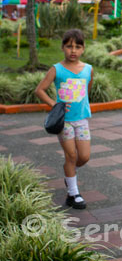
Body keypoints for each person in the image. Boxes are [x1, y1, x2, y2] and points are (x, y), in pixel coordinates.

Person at [36, 29, 93, 209]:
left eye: (77, 47)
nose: (73, 50)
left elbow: (87, 90)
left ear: (83, 49)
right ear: (62, 48)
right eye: (69, 46)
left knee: (83, 157)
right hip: (64, 121)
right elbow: (39, 90)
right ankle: (73, 194)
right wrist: (54, 105)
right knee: (71, 155)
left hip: (82, 119)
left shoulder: (88, 69)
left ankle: (70, 174)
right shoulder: (57, 69)